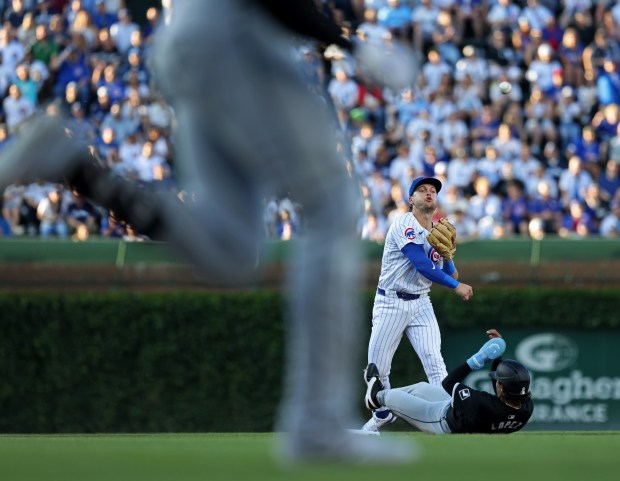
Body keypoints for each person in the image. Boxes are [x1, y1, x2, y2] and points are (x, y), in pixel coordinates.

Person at [0, 0, 417, 464]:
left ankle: (77, 168)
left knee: (232, 252)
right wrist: (350, 45)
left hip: (190, 44)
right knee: (333, 207)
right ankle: (316, 424)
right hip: (233, 40)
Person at [361, 175, 474, 434]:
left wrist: (448, 256)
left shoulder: (437, 231)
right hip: (391, 301)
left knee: (435, 363)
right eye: (422, 190)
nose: (428, 193)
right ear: (411, 199)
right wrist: (456, 287)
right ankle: (381, 417)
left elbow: (451, 273)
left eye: (433, 190)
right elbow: (421, 264)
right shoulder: (404, 224)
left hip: (421, 301)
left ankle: (449, 420)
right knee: (376, 371)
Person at [363, 329, 534, 434]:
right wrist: (497, 358)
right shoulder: (525, 410)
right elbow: (501, 397)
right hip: (459, 414)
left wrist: (478, 359)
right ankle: (376, 416)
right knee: (422, 387)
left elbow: (447, 384)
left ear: (503, 389)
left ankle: (376, 396)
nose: (496, 382)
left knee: (391, 396)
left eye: (498, 382)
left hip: (440, 421)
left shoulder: (482, 403)